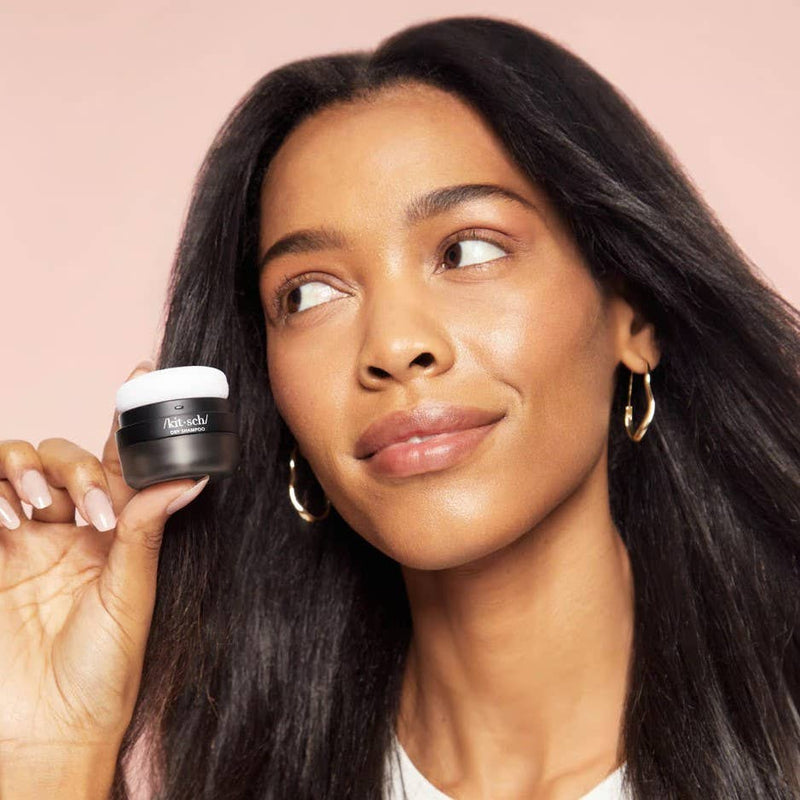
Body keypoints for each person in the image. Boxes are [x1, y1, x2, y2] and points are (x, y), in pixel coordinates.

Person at [1, 14, 798, 800]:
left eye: (468, 251)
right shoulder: (221, 773)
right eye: (309, 294)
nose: (393, 345)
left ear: (635, 317)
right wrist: (52, 752)